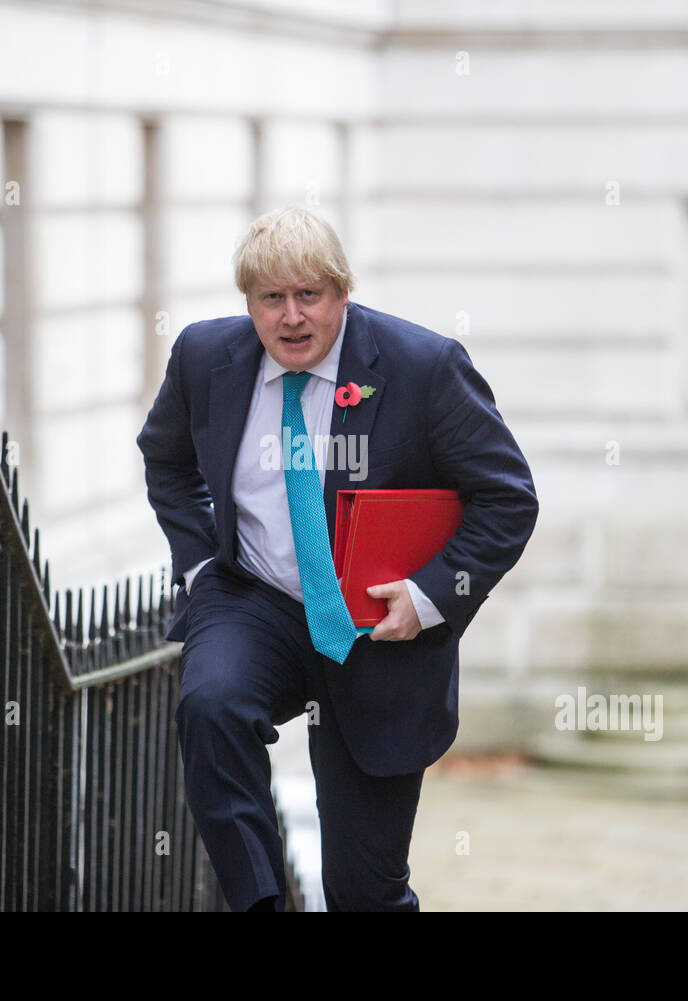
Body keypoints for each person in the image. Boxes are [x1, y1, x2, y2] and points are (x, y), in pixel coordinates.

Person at [136, 207, 538, 911]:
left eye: (309, 296)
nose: (291, 317)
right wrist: (200, 567)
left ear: (342, 292)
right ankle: (260, 901)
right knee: (210, 704)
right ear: (250, 303)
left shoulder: (424, 367)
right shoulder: (205, 358)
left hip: (378, 627)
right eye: (271, 299)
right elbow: (166, 459)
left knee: (362, 890)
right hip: (255, 599)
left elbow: (507, 498)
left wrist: (430, 595)